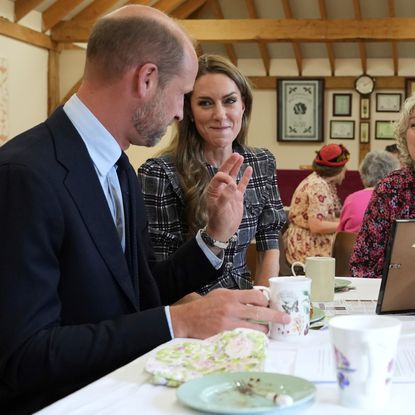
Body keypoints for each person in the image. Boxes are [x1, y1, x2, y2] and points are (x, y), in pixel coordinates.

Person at [0, 6, 290, 414]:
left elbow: (142, 288)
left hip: (126, 385)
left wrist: (215, 237)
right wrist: (180, 322)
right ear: (147, 78)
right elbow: (23, 356)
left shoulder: (119, 167)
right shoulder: (24, 174)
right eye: (183, 95)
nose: (179, 114)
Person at [137, 54, 286, 289]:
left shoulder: (262, 162)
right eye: (205, 103)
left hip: (246, 304)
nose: (220, 114)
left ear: (243, 105)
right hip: (192, 307)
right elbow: (161, 272)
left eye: (229, 101)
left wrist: (262, 303)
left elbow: (269, 243)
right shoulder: (160, 173)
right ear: (189, 112)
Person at [351, 96, 415, 278]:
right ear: (404, 136)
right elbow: (362, 264)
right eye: (414, 125)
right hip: (398, 300)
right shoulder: (390, 188)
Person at [283, 143, 350, 264]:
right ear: (339, 169)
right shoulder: (318, 186)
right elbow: (316, 226)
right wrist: (346, 226)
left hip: (307, 243)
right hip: (307, 248)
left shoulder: (319, 181)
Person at [337, 150, 400, 233]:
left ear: (363, 174)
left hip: (353, 245)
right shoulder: (400, 199)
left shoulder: (352, 200)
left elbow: (341, 234)